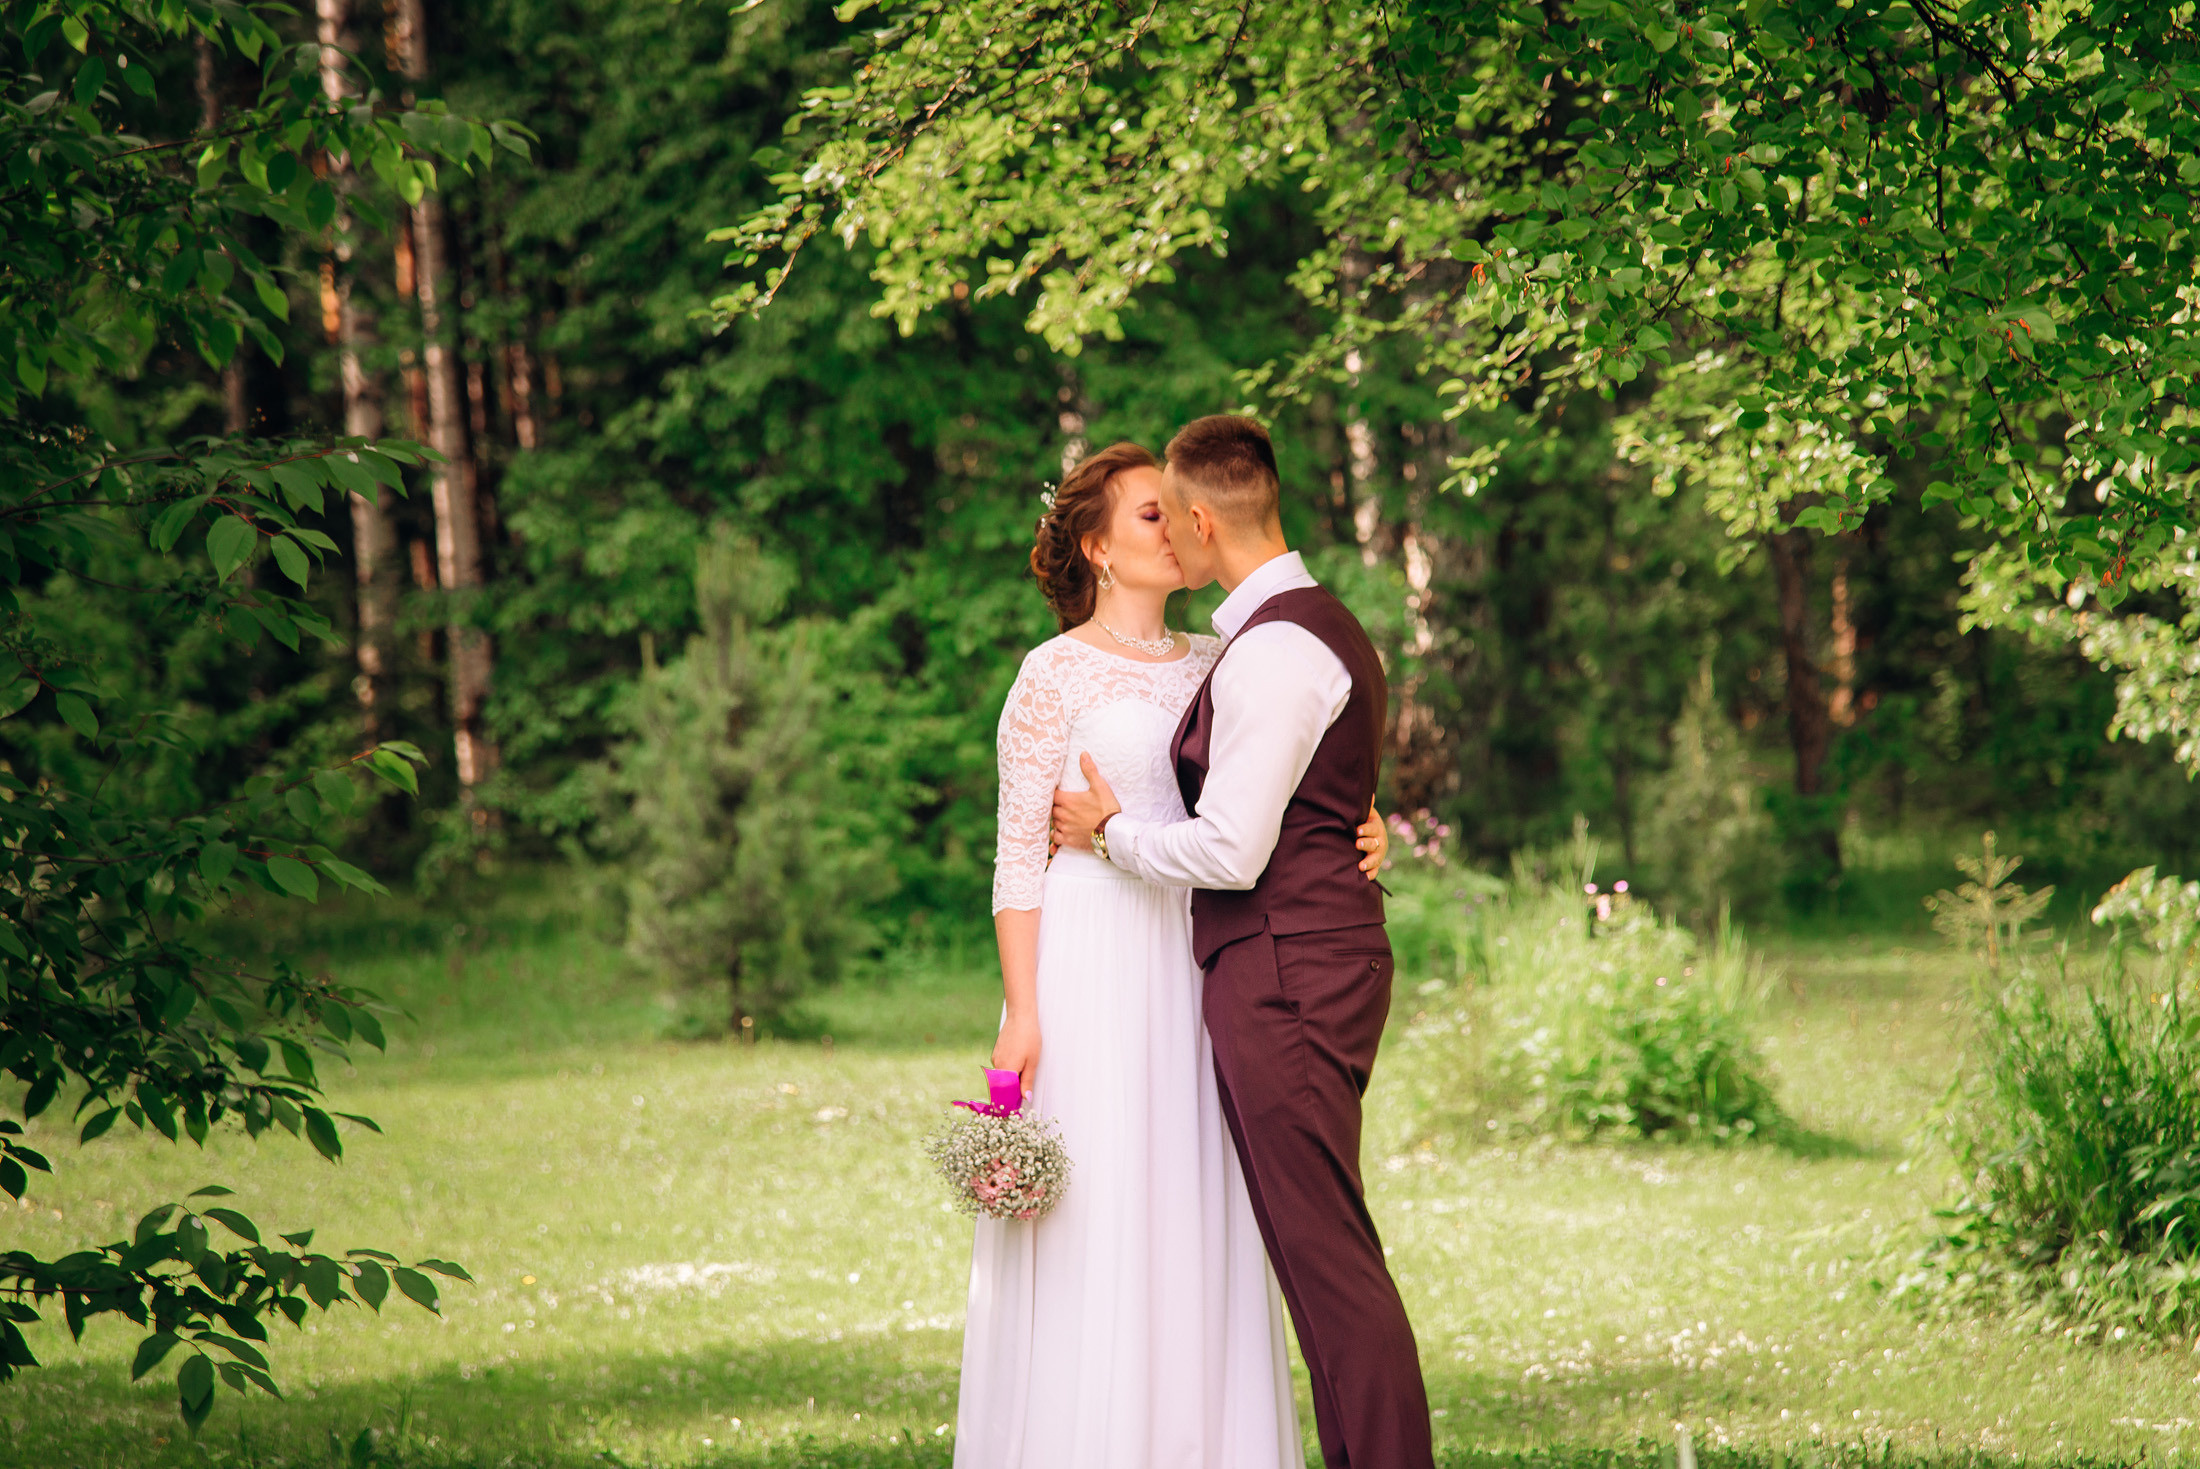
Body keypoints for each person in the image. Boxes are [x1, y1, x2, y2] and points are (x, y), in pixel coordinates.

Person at [957, 440, 1389, 1469]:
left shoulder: (1217, 655)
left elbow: (1273, 783)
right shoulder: (1051, 671)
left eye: (1175, 508)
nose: (1178, 522)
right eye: (1150, 513)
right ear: (1098, 548)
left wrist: (1362, 821)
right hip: (1093, 948)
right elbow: (1018, 855)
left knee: (1198, 1197)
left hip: (1202, 948)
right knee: (1099, 1204)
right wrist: (1022, 1011)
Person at [1051, 415, 1436, 1469]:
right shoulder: (1310, 629)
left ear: (1202, 514)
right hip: (1304, 959)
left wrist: (1110, 833)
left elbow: (1228, 847)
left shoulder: (1271, 648)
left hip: (1288, 973)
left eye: (1170, 512)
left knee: (1330, 1264)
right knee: (1321, 1258)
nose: (1167, 535)